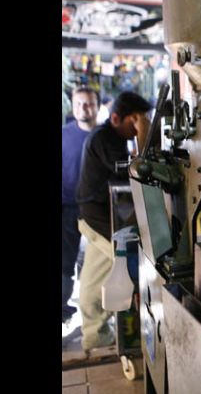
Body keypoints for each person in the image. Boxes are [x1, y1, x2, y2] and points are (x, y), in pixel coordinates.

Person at [76, 91, 152, 351]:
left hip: (102, 216)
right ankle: (119, 338)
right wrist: (145, 136)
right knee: (129, 271)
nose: (138, 126)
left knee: (98, 278)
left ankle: (97, 336)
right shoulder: (104, 138)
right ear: (117, 118)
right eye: (135, 121)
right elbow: (139, 170)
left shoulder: (114, 138)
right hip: (98, 218)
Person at [62, 87, 100, 326]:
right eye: (78, 104)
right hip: (67, 207)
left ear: (97, 106)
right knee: (65, 259)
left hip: (97, 210)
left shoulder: (105, 136)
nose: (83, 109)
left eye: (88, 104)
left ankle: (97, 309)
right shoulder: (64, 134)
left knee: (99, 261)